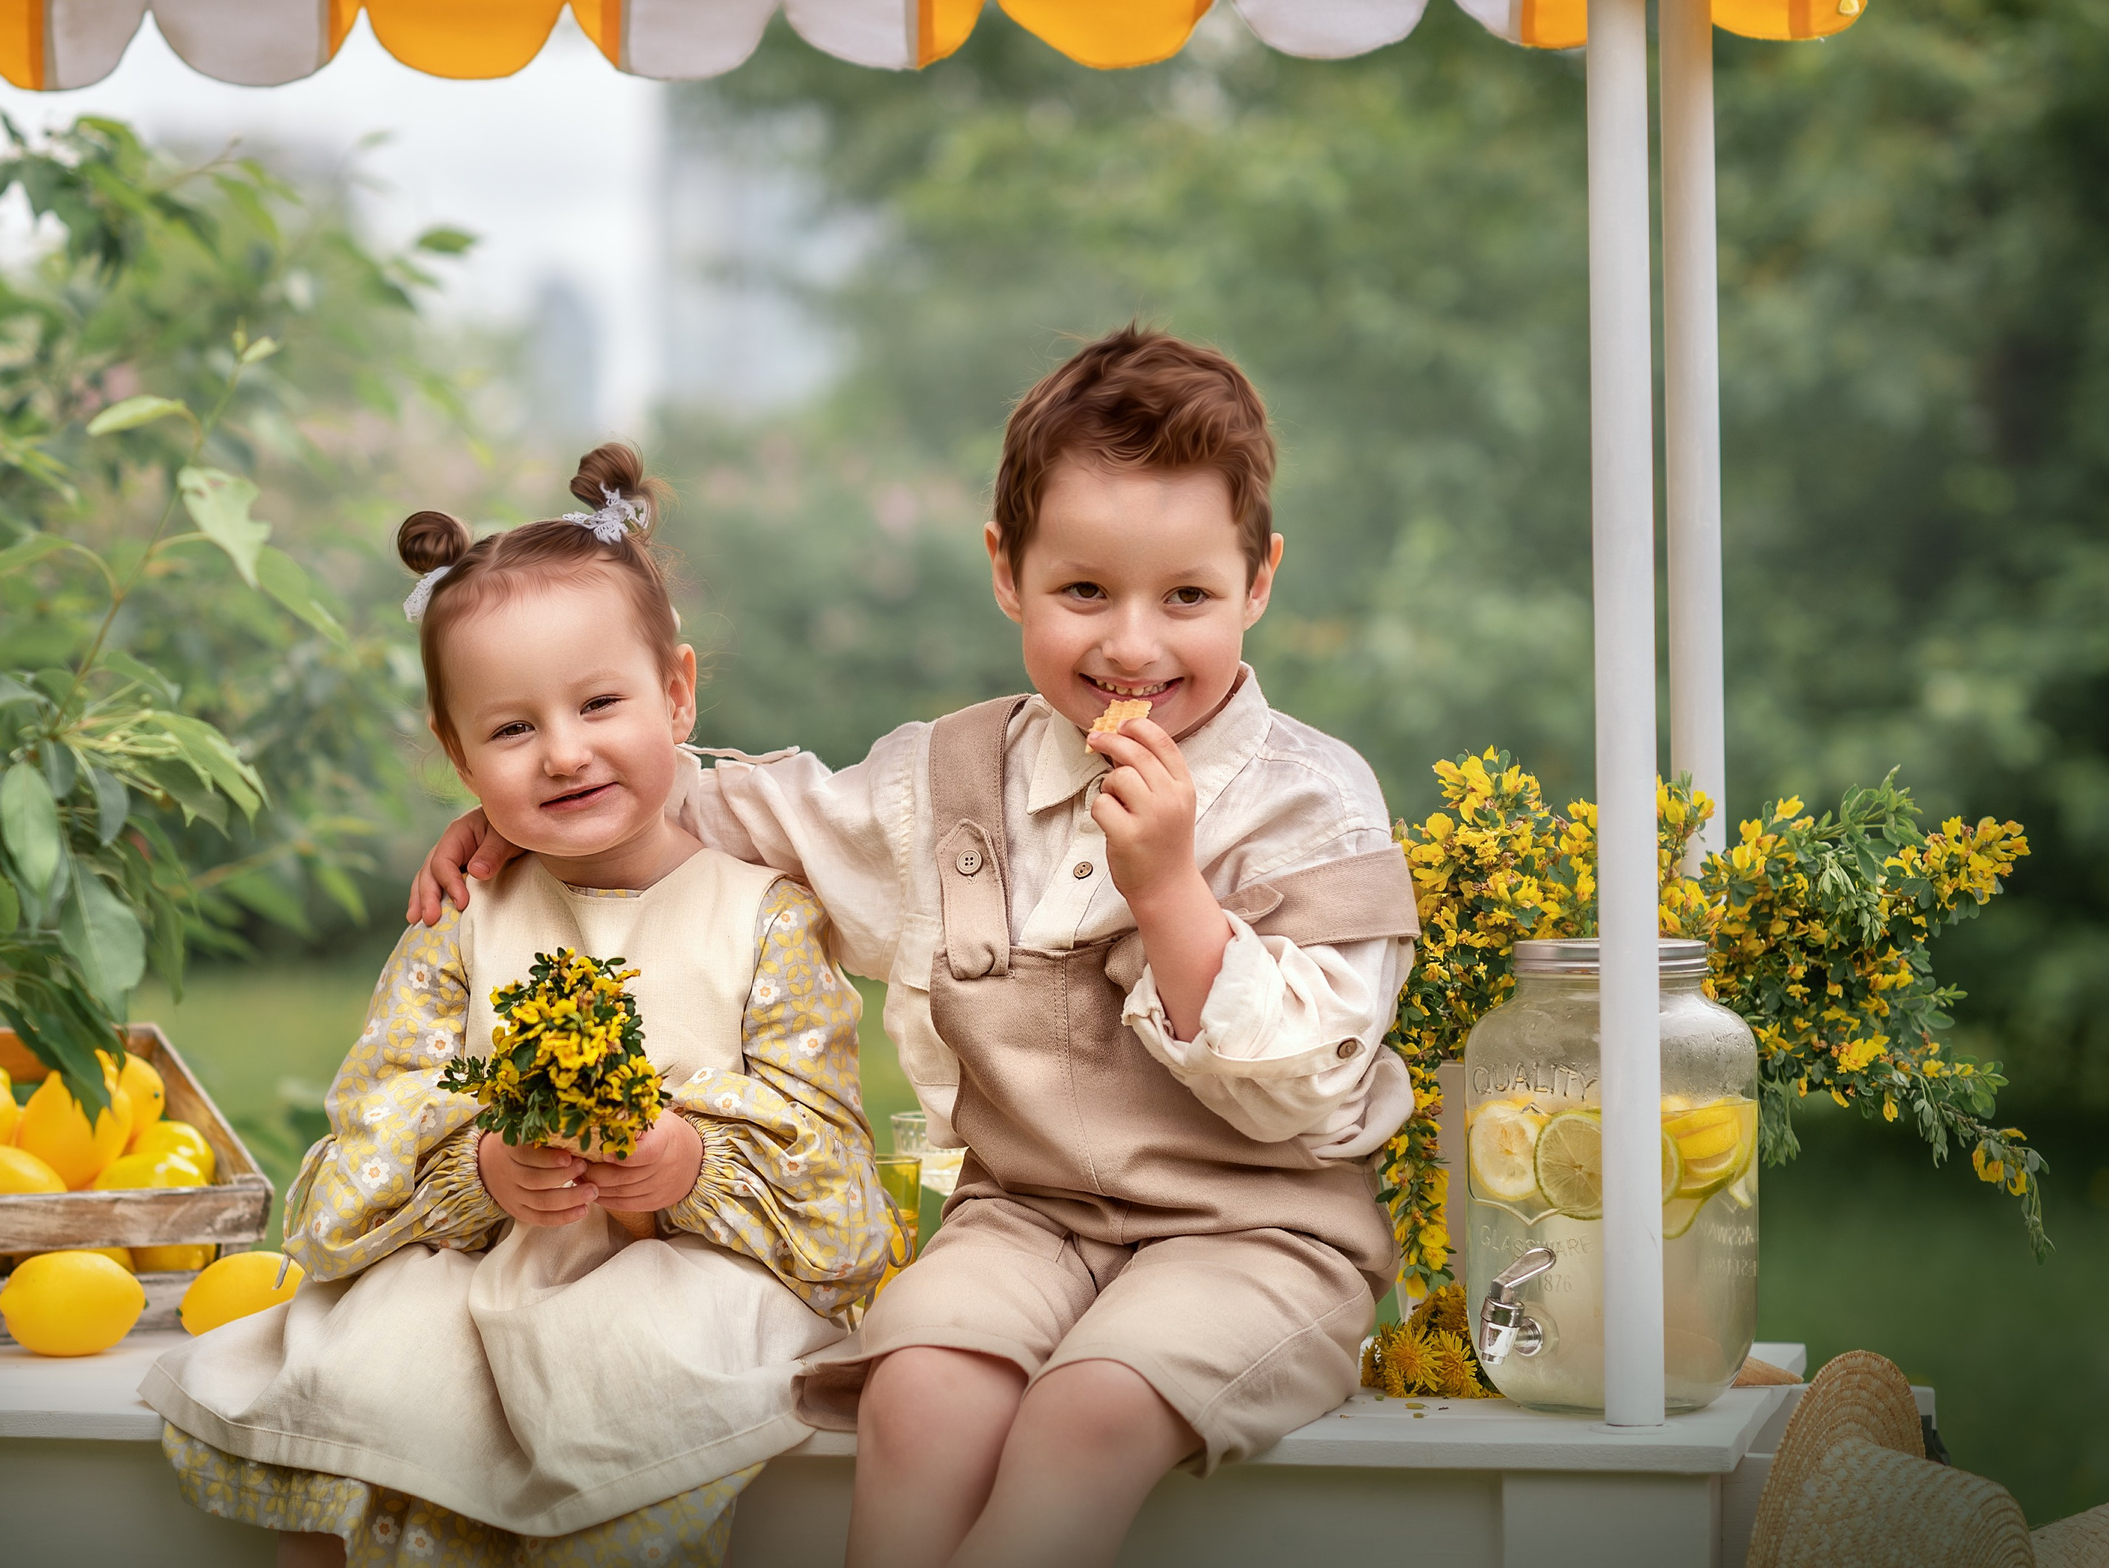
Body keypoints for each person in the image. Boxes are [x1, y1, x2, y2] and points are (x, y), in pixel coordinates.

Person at [412, 329, 1421, 1568]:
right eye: (1085, 591)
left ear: (1257, 581)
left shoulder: (1309, 800)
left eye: (1188, 597)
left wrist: (1168, 890)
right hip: (1027, 1215)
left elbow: (1313, 1083)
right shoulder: (951, 780)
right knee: (917, 1392)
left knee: (1086, 1414)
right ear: (1008, 572)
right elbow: (752, 811)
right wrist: (529, 811)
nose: (1133, 646)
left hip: (1260, 1230)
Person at [143, 444, 890, 1568]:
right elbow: (357, 1149)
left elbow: (838, 1195)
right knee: (372, 1375)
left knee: (629, 1383)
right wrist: (480, 1169)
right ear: (456, 753)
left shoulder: (765, 918)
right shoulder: (463, 919)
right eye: (510, 728)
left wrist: (689, 1161)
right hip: (475, 1262)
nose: (565, 752)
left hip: (680, 1273)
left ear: (677, 690)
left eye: (599, 702)